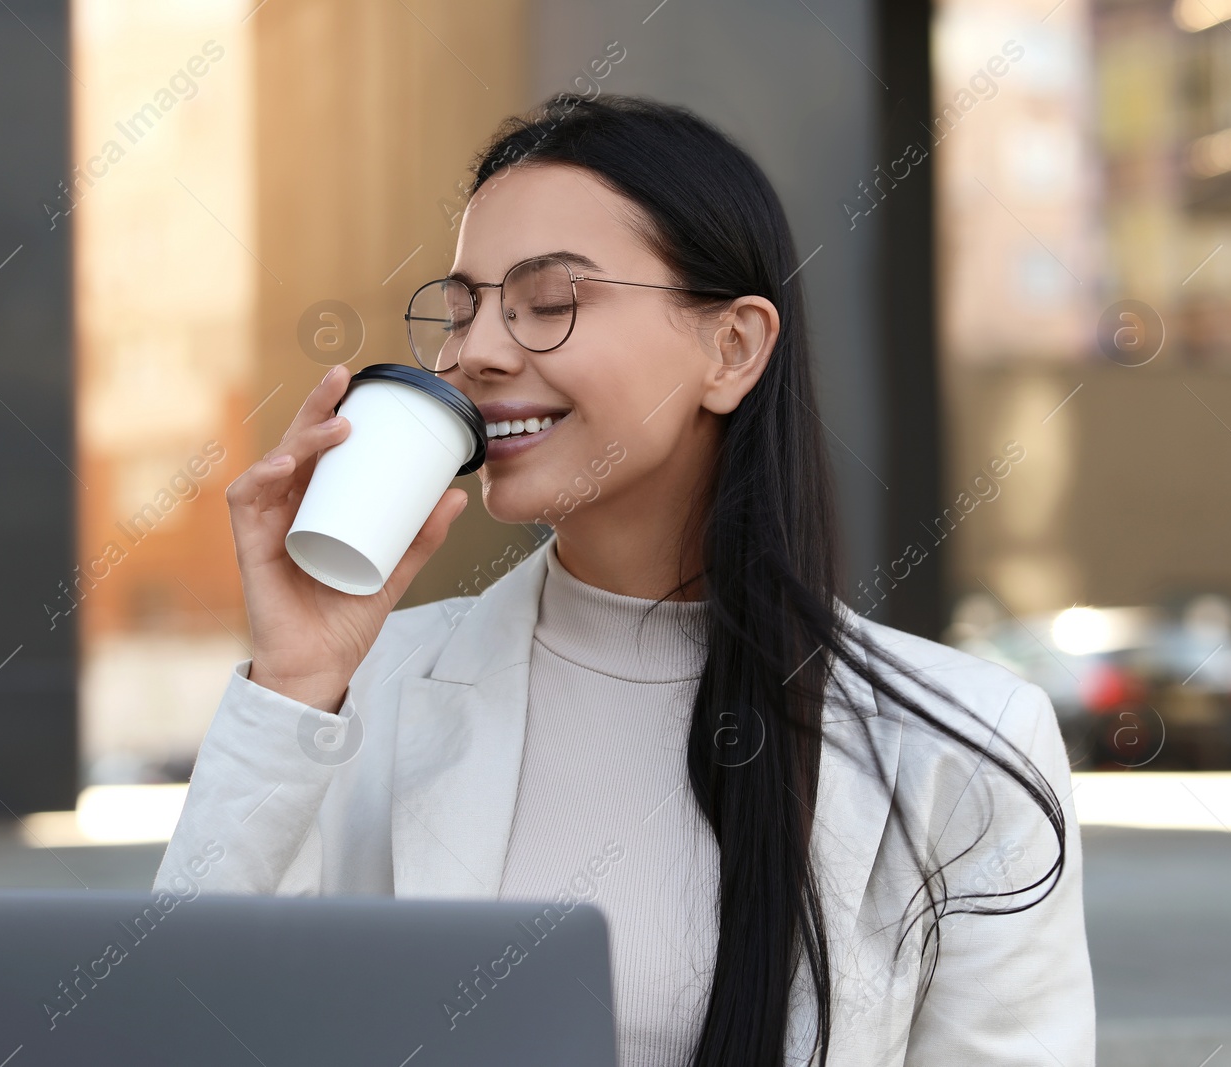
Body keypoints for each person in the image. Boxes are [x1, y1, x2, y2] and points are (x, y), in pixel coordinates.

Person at [155, 94, 1093, 1067]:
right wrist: (296, 678)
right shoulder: (363, 695)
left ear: (730, 348)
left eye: (548, 303)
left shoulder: (963, 742)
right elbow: (176, 1024)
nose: (475, 350)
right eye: (463, 304)